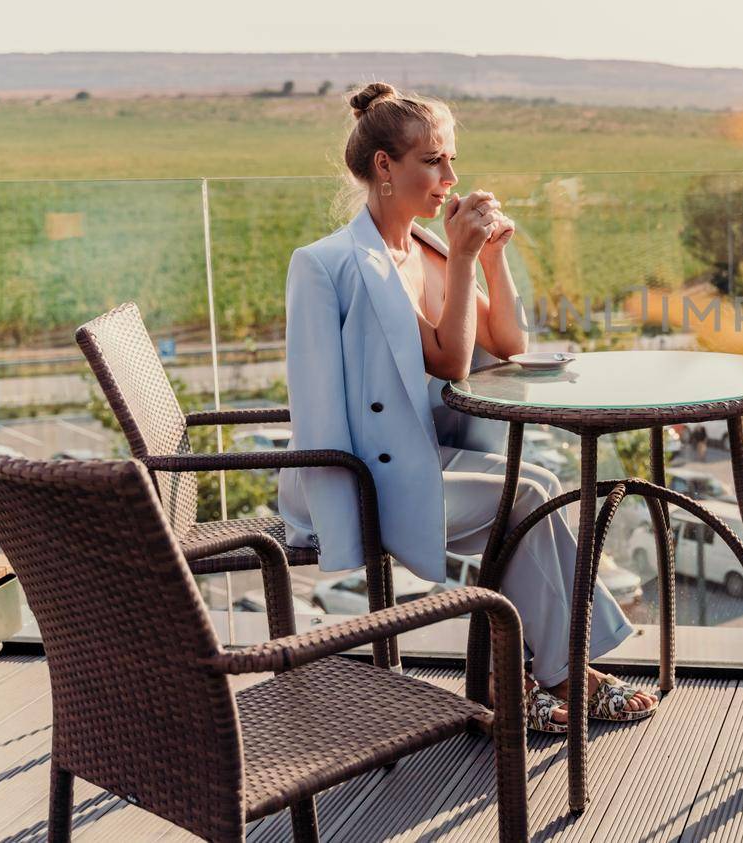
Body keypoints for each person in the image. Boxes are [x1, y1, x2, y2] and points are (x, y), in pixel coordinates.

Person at [278, 81, 656, 731]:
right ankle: (563, 670)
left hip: (421, 460)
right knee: (525, 494)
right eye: (433, 160)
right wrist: (330, 518)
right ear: (384, 167)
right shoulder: (327, 265)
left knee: (534, 480)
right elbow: (427, 368)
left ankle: (532, 668)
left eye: (451, 159)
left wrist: (493, 258)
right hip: (365, 481)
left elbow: (506, 342)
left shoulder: (421, 249)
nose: (450, 176)